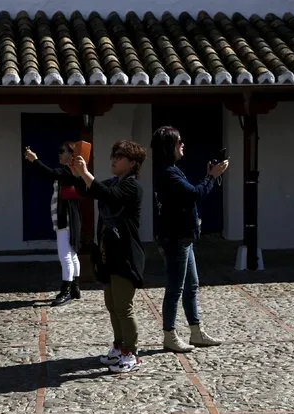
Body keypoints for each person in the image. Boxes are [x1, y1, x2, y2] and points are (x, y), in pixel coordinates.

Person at [151, 125, 229, 353]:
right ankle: (169, 334)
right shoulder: (168, 174)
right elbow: (194, 195)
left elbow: (191, 193)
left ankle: (195, 331)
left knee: (191, 285)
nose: (182, 145)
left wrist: (209, 176)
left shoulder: (172, 170)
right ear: (169, 147)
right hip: (175, 237)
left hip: (184, 236)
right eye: (178, 142)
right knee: (175, 287)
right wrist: (212, 177)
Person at [71, 140, 147, 373]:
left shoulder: (132, 187)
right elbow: (89, 190)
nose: (114, 160)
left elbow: (109, 195)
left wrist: (85, 173)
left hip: (125, 254)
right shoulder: (114, 182)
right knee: (112, 305)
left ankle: (131, 352)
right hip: (108, 252)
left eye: (120, 157)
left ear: (133, 164)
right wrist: (76, 173)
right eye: (114, 156)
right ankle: (118, 346)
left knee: (124, 306)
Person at [24, 142, 82, 306]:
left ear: (71, 155)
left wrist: (35, 160)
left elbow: (50, 173)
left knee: (65, 256)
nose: (58, 154)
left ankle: (66, 291)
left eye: (61, 151)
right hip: (70, 218)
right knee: (72, 254)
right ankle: (75, 288)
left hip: (66, 218)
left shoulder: (68, 170)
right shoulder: (73, 172)